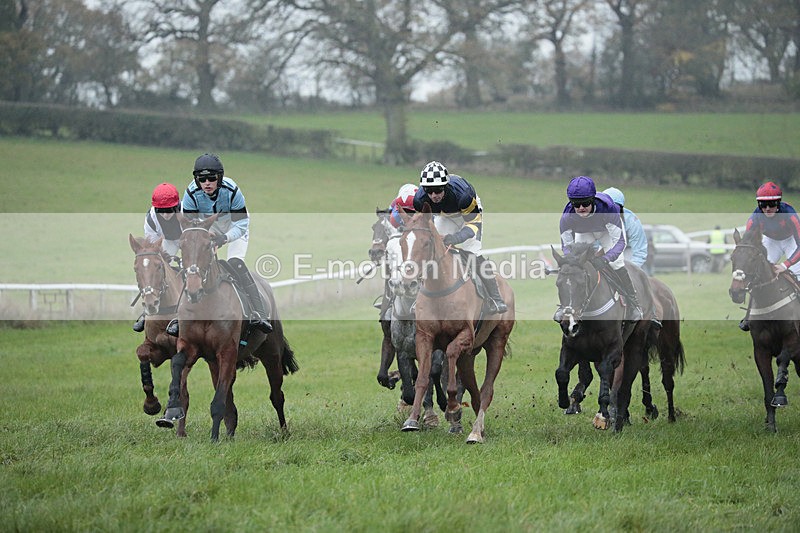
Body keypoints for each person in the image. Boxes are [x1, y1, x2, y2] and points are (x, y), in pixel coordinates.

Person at [177, 153, 271, 334]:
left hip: (235, 227)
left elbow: (242, 224)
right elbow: (190, 227)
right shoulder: (191, 193)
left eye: (211, 178)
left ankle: (259, 313)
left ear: (219, 178)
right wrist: (206, 237)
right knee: (193, 264)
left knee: (235, 262)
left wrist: (224, 238)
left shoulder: (232, 190)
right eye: (202, 179)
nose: (207, 183)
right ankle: (178, 315)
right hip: (207, 229)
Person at [413, 161, 508, 314]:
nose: (433, 196)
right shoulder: (419, 200)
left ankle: (495, 298)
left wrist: (454, 238)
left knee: (473, 253)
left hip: (469, 214)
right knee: (432, 251)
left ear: (445, 186)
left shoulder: (463, 195)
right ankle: (419, 296)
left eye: (437, 190)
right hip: (445, 215)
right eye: (429, 191)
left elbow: (473, 225)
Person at [557, 176, 643, 321]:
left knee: (616, 263)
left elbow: (620, 243)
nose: (581, 208)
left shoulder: (608, 209)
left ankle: (634, 303)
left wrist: (604, 259)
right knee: (574, 268)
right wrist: (572, 261)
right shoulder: (567, 217)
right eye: (576, 204)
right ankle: (565, 306)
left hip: (606, 232)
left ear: (593, 199)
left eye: (585, 203)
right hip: (584, 232)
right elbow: (567, 247)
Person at [738, 181, 800, 331]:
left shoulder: (790, 215)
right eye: (763, 205)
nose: (767, 209)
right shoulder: (754, 219)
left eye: (771, 204)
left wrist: (785, 265)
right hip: (771, 242)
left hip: (791, 241)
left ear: (778, 203)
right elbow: (749, 245)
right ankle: (749, 315)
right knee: (759, 273)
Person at [133, 183, 183, 333]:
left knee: (193, 269)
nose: (166, 215)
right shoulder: (151, 218)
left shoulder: (187, 212)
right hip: (167, 241)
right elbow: (153, 248)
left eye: (169, 210)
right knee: (157, 269)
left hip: (188, 238)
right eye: (162, 211)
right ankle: (148, 312)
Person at [602, 187, 648, 270]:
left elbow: (640, 251)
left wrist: (632, 270)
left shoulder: (631, 220)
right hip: (604, 249)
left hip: (627, 252)